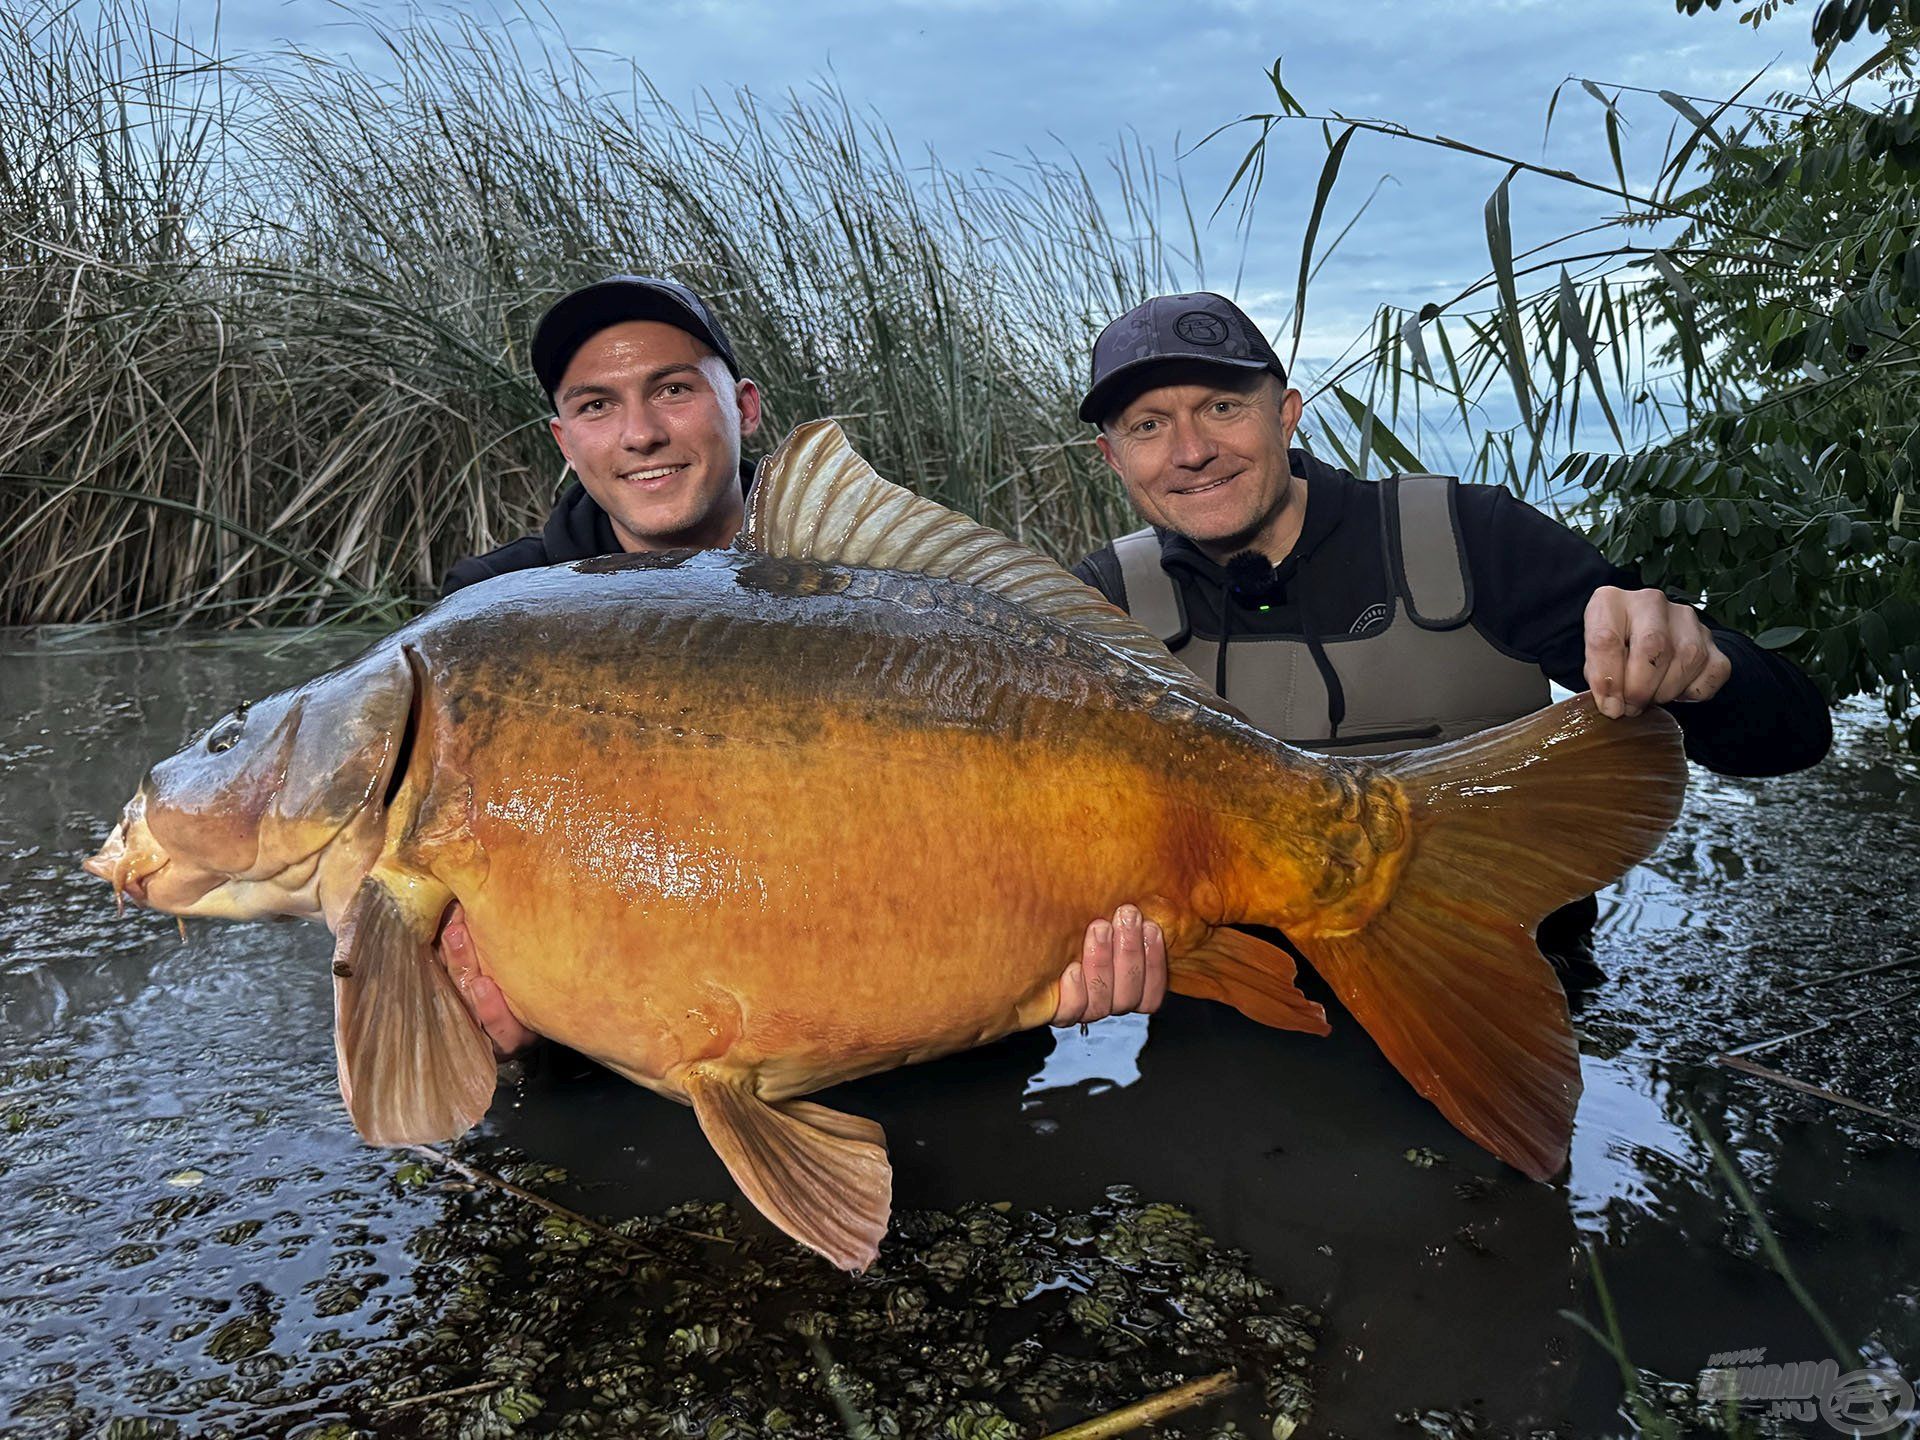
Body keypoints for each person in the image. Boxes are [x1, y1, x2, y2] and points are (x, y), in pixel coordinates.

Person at [435, 275, 1160, 1055]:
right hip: (628, 1056)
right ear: (563, 439)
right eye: (596, 405)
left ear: (745, 407)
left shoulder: (892, 587)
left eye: (672, 389)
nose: (639, 433)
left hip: (922, 1027)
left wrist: (1053, 944)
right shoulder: (492, 613)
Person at [1068, 291, 1832, 988]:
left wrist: (1708, 671)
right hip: (1236, 1015)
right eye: (1147, 426)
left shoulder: (1469, 538)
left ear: (1286, 412)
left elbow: (1793, 738)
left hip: (1491, 990)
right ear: (1113, 459)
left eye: (1223, 407)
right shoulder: (1095, 606)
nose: (1191, 449)